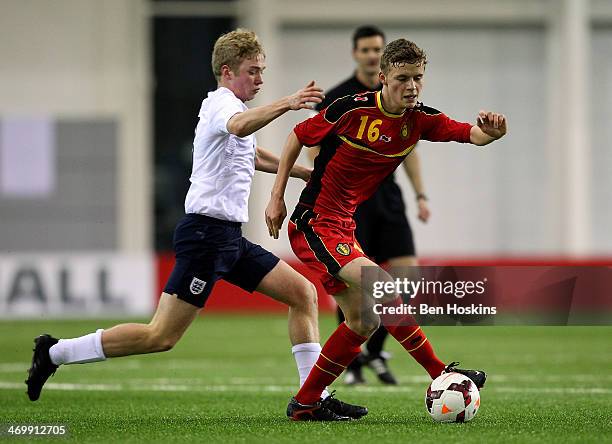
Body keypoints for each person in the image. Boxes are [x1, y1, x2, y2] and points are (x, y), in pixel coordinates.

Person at [26, 29, 365, 421]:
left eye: (262, 71)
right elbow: (239, 128)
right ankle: (54, 352)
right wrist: (288, 103)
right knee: (160, 336)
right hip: (204, 236)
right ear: (227, 71)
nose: (260, 79)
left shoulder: (232, 109)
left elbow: (250, 152)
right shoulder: (222, 105)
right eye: (253, 71)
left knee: (302, 294)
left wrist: (302, 173)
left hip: (228, 239)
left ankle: (310, 399)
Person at [266, 38, 506, 421]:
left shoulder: (421, 119)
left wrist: (491, 134)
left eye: (418, 78)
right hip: (314, 223)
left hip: (343, 226)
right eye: (402, 78)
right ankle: (440, 372)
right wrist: (276, 196)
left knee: (364, 320)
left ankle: (306, 403)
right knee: (384, 287)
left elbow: (472, 135)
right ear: (382, 78)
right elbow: (298, 135)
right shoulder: (350, 110)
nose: (411, 86)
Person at [309, 25, 431, 386]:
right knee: (358, 283)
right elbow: (313, 144)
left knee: (407, 275)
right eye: (365, 49)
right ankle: (355, 361)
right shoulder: (339, 98)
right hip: (349, 200)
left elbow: (410, 150)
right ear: (355, 54)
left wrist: (421, 195)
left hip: (388, 198)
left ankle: (375, 352)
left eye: (377, 48)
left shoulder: (403, 99)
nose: (372, 53)